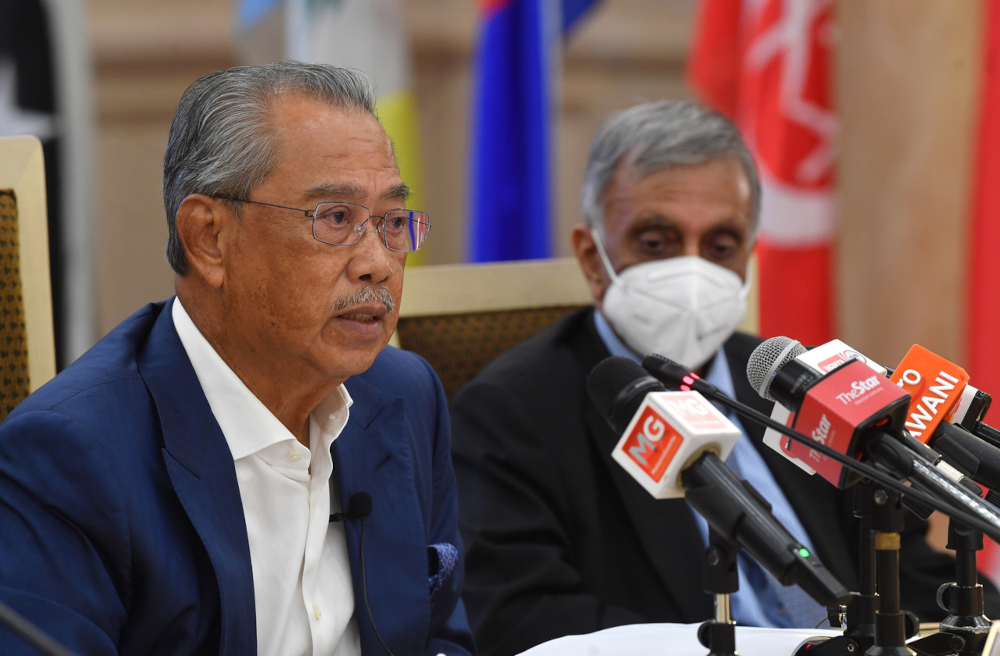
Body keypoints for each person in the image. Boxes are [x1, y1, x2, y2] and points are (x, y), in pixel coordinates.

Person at [450, 100, 988, 655]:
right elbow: (524, 621)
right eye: (655, 242)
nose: (692, 269)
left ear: (748, 256)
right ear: (591, 257)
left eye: (720, 246)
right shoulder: (510, 410)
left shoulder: (799, 383)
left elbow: (907, 570)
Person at [0, 62, 474, 655]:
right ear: (209, 238)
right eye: (336, 218)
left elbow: (441, 639)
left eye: (392, 221)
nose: (378, 262)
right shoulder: (73, 456)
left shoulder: (404, 396)